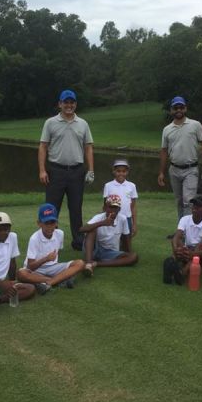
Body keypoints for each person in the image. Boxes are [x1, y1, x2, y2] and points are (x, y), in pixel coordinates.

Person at [38, 89, 95, 251]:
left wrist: (90, 170)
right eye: (66, 102)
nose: (69, 105)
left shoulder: (83, 123)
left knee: (76, 207)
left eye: (72, 102)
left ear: (75, 104)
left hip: (77, 171)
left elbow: (88, 147)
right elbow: (43, 146)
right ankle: (49, 241)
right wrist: (42, 170)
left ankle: (78, 241)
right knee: (51, 208)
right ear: (60, 104)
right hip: (55, 171)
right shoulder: (50, 123)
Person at [158, 96, 202, 220]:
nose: (178, 110)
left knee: (188, 201)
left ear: (185, 109)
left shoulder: (195, 125)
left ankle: (186, 232)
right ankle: (181, 229)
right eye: (176, 108)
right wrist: (161, 172)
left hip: (190, 169)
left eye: (181, 107)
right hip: (174, 169)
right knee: (179, 201)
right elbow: (164, 151)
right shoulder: (167, 129)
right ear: (171, 110)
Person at [16, 203, 85, 293]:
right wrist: (46, 259)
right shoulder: (34, 238)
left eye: (52, 222)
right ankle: (60, 280)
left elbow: (57, 254)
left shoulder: (60, 233)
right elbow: (30, 266)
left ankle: (48, 283)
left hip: (53, 267)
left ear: (56, 223)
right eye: (46, 223)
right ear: (39, 223)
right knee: (21, 273)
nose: (50, 226)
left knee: (80, 263)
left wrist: (52, 263)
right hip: (36, 270)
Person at [163, 195, 202, 285]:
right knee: (178, 242)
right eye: (194, 205)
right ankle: (172, 262)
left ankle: (182, 273)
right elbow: (176, 237)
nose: (195, 208)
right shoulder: (185, 219)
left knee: (200, 245)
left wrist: (192, 254)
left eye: (199, 206)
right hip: (188, 250)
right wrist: (177, 250)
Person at [80, 194, 138, 276]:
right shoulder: (99, 217)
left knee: (134, 256)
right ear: (104, 208)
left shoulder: (122, 219)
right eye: (110, 207)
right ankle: (88, 264)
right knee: (91, 230)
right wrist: (102, 223)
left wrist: (128, 253)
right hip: (94, 249)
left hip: (110, 252)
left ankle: (97, 264)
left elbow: (126, 237)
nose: (113, 210)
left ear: (119, 209)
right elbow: (82, 229)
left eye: (115, 208)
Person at [103, 158, 138, 237]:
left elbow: (133, 207)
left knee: (127, 239)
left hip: (127, 218)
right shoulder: (108, 186)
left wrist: (134, 224)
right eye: (118, 171)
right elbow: (105, 205)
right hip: (113, 217)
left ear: (127, 172)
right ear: (114, 171)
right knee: (113, 238)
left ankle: (127, 249)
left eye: (124, 171)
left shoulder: (132, 186)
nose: (121, 173)